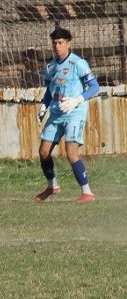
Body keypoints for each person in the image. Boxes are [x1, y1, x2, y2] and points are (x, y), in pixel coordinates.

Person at [34, 27, 99, 203]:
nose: (57, 46)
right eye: (54, 43)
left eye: (60, 42)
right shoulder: (51, 66)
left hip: (74, 112)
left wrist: (77, 100)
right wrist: (43, 106)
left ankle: (87, 192)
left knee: (71, 153)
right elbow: (49, 90)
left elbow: (94, 87)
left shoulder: (78, 63)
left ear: (68, 43)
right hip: (56, 113)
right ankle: (52, 186)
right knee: (43, 151)